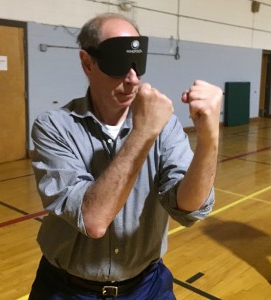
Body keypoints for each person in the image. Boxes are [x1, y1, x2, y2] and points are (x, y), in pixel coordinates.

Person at [29, 12, 222, 300]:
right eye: (118, 65)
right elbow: (92, 220)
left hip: (147, 286)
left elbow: (188, 206)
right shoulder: (54, 127)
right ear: (87, 62)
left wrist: (208, 138)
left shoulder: (164, 125)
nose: (132, 79)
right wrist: (142, 133)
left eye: (137, 64)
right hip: (67, 289)